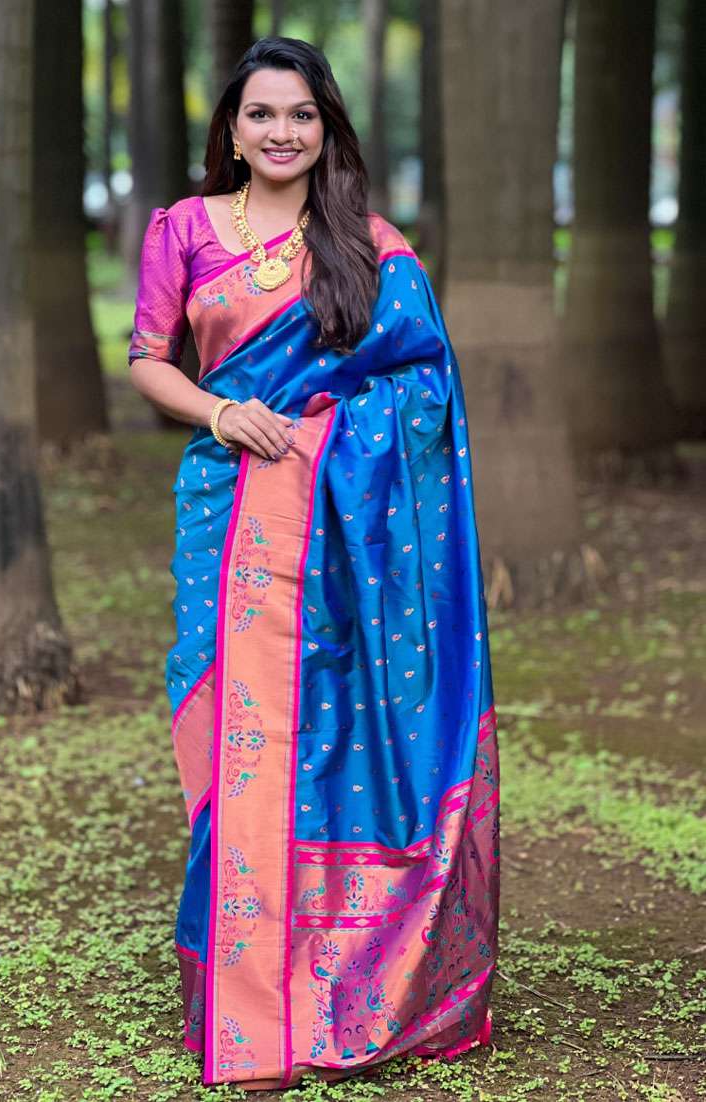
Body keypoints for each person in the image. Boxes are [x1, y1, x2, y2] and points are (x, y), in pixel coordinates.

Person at [128, 34, 500, 1093]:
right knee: (226, 737)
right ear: (232, 130)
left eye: (301, 114)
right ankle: (247, 992)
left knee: (336, 733)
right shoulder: (184, 229)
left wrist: (332, 437)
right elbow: (148, 359)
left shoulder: (370, 246)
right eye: (261, 113)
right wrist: (222, 413)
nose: (281, 131)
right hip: (225, 512)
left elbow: (423, 389)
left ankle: (346, 986)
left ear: (326, 127)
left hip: (344, 531)